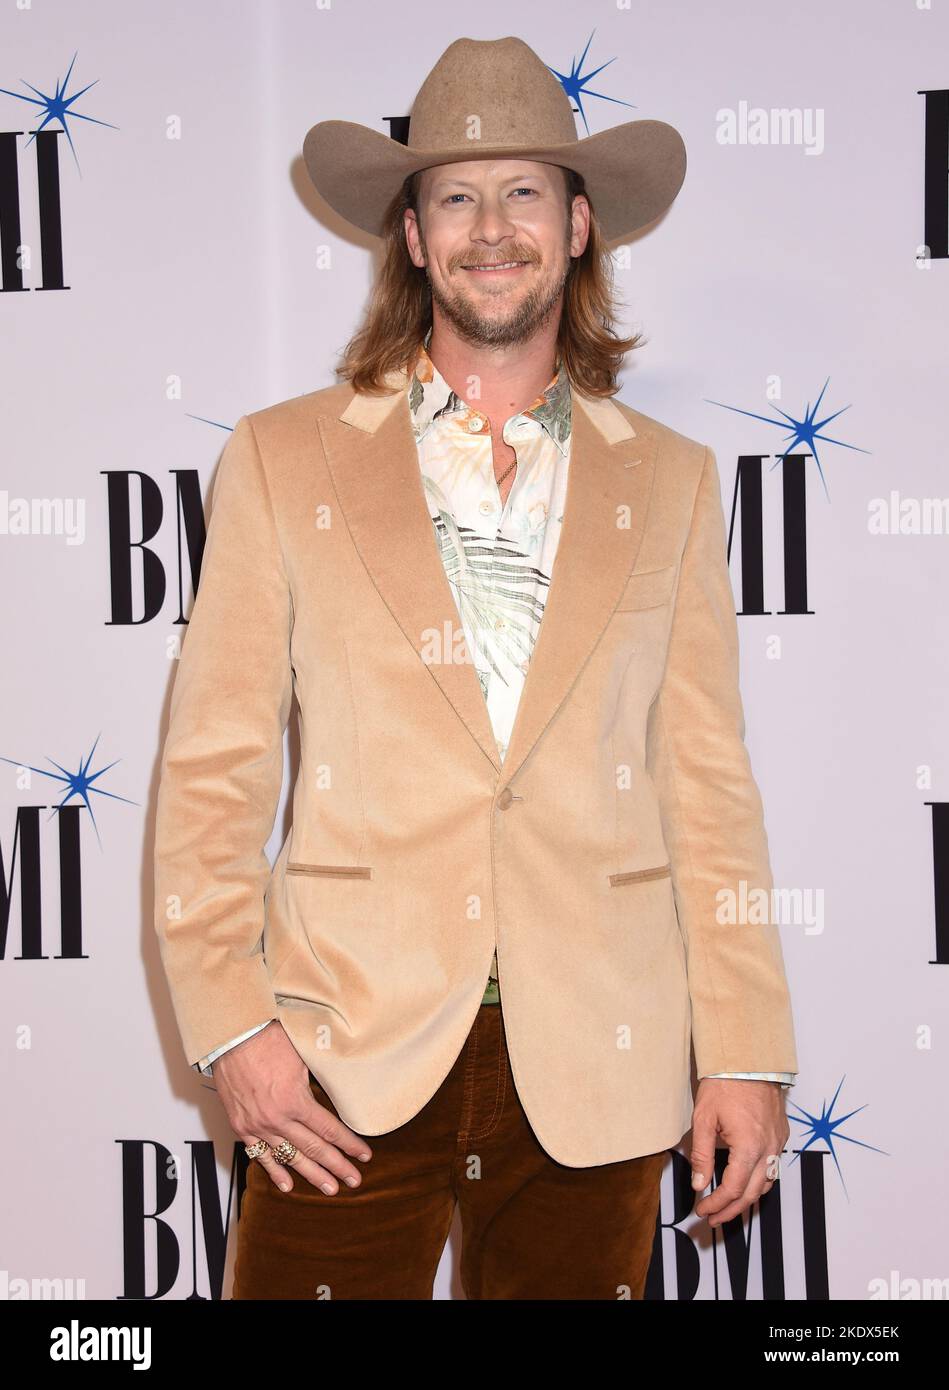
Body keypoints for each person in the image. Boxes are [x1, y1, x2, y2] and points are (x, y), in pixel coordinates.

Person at [153, 35, 798, 1300]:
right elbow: (212, 771)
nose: (488, 227)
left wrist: (746, 1049)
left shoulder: (669, 479)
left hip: (595, 1062)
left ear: (576, 226)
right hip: (344, 1058)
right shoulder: (285, 459)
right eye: (454, 194)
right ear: (411, 234)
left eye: (521, 193)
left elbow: (707, 785)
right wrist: (235, 1028)